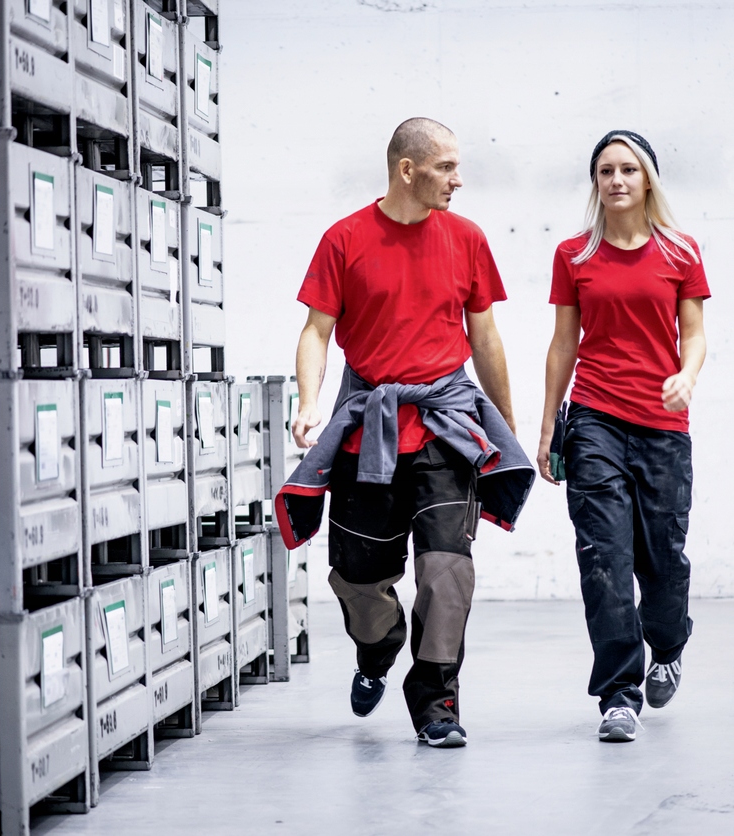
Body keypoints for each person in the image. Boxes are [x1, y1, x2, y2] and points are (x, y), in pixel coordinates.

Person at [275, 118, 535, 748]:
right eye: (446, 167)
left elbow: (485, 337)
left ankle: (436, 703)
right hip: (369, 430)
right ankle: (377, 649)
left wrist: (504, 424)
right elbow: (316, 332)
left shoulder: (467, 239)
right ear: (407, 169)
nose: (457, 179)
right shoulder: (344, 239)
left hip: (446, 430)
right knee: (357, 579)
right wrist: (309, 402)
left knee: (448, 572)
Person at [537, 130, 710, 742]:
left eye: (628, 170)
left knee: (662, 561)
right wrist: (548, 426)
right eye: (606, 170)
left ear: (648, 180)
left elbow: (694, 333)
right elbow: (564, 344)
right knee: (604, 560)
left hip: (663, 425)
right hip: (595, 420)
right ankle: (618, 693)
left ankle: (669, 643)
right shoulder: (574, 255)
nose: (616, 180)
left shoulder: (680, 251)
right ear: (595, 181)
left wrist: (687, 376)